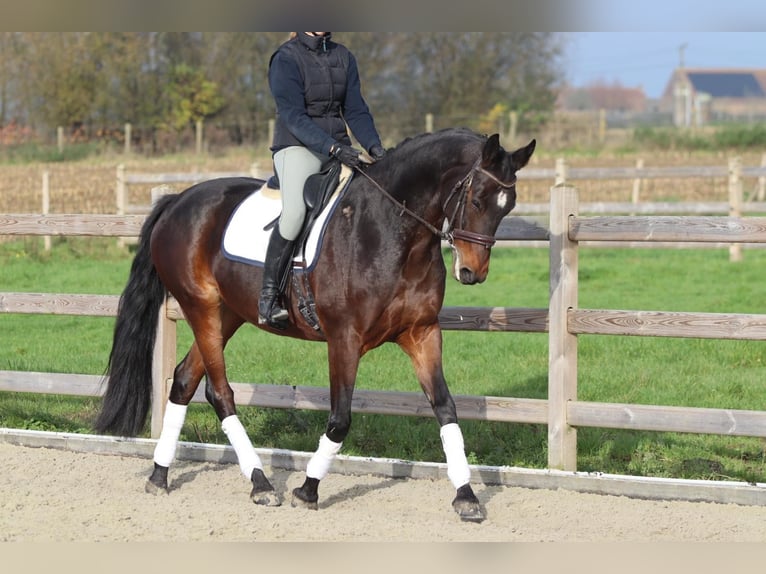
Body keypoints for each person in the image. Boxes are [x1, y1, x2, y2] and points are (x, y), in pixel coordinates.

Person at [259, 31, 386, 329]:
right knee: (293, 214)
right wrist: (333, 147)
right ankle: (268, 297)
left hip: (338, 148)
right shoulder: (286, 58)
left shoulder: (343, 56)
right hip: (297, 147)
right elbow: (292, 115)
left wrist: (375, 147)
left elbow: (355, 110)